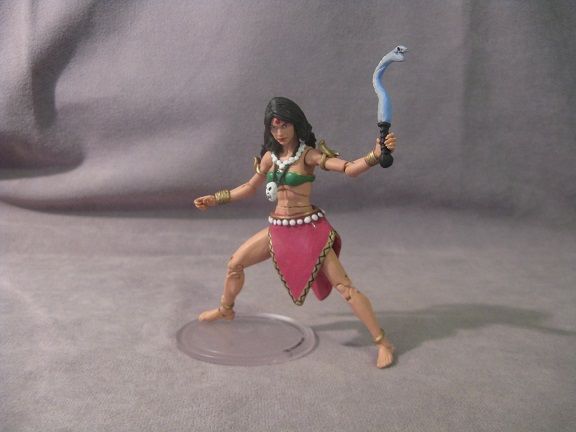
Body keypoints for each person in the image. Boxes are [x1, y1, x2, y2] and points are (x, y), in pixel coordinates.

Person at [194, 97, 397, 368]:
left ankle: (383, 342)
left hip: (308, 231)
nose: (279, 132)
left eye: (284, 126)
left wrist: (375, 154)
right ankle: (225, 310)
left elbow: (349, 169)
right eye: (274, 127)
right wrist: (216, 199)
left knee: (345, 288)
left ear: (295, 124)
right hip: (279, 229)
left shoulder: (308, 155)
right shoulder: (270, 157)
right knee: (235, 264)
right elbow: (249, 187)